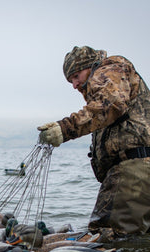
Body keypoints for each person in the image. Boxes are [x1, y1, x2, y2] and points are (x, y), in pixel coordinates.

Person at [38, 45, 150, 239]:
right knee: (138, 239)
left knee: (107, 236)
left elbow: (111, 105)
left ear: (89, 66)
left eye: (75, 76)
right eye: (70, 81)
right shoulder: (109, 79)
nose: (74, 85)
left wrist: (64, 129)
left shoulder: (108, 70)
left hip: (134, 170)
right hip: (137, 170)